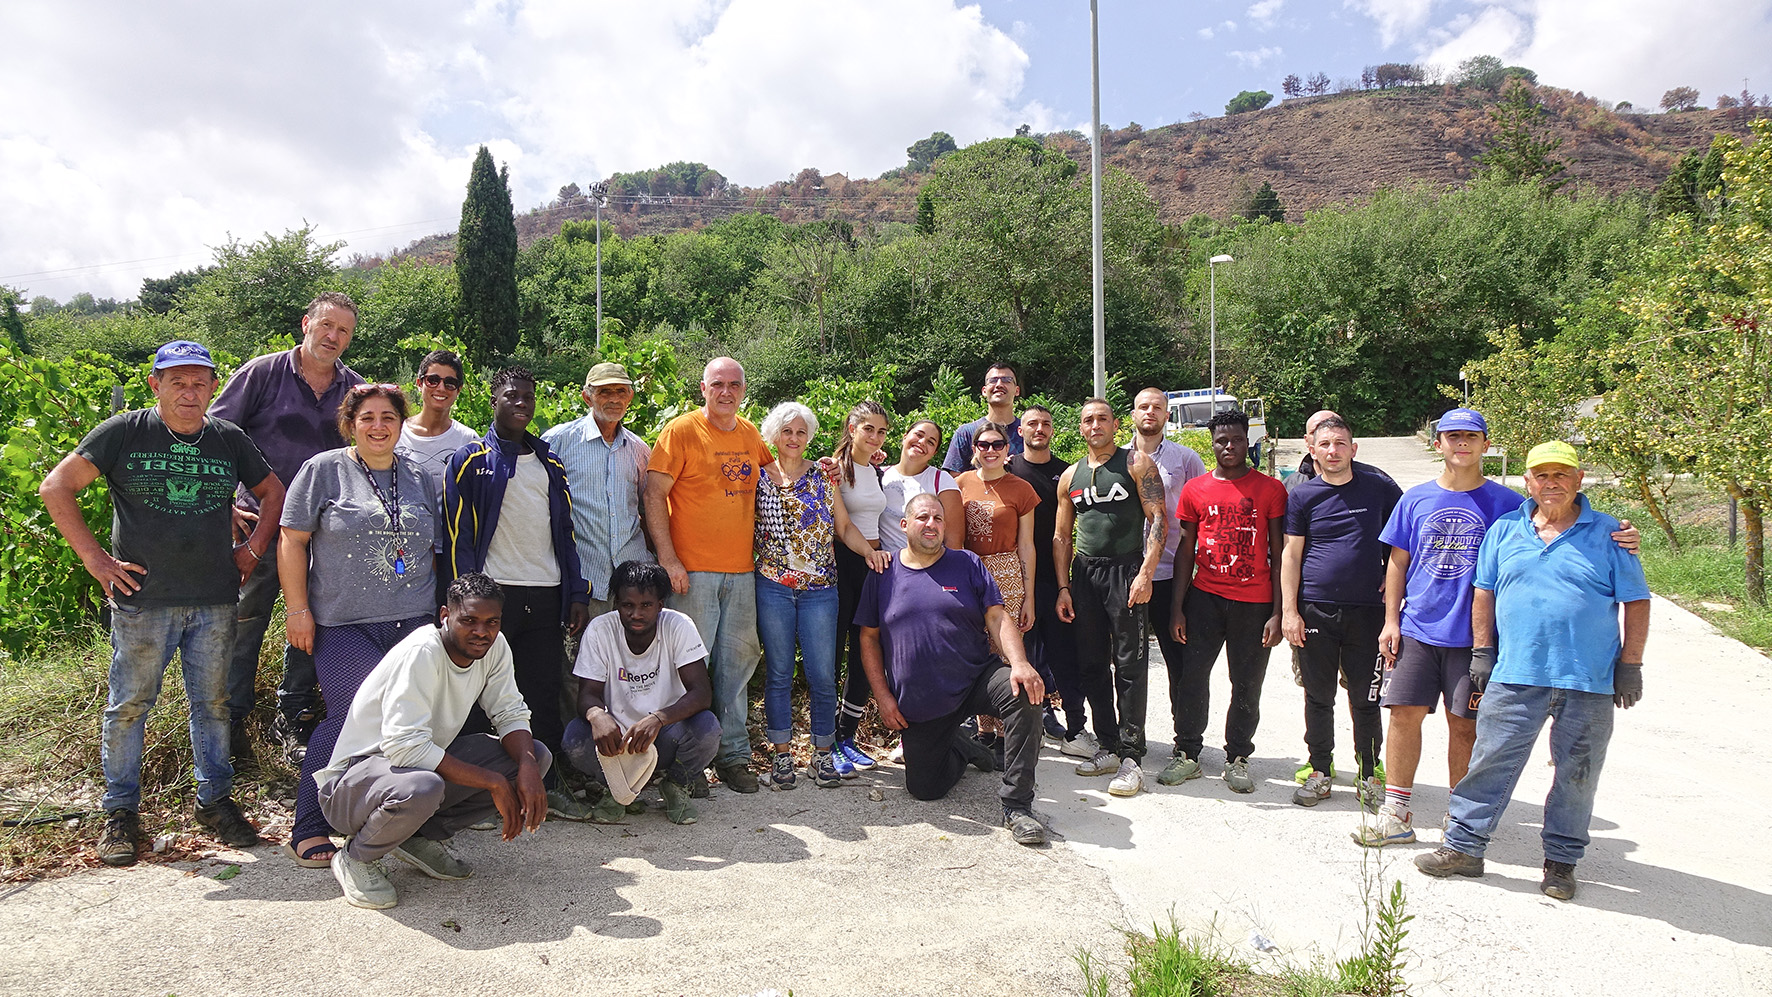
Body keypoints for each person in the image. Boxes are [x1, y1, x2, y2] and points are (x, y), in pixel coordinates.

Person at [40, 340, 282, 865]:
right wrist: (96, 561)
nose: (190, 392)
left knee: (213, 707)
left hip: (215, 599)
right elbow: (56, 487)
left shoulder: (228, 438)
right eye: (178, 381)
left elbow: (273, 492)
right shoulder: (125, 431)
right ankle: (121, 813)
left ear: (213, 388)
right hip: (142, 601)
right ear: (156, 385)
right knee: (129, 707)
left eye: (200, 382)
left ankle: (214, 802)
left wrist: (254, 549)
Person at [1355, 409, 1638, 847]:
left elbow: (1559, 522)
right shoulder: (1415, 499)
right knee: (1403, 717)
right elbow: (1397, 562)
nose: (1461, 443)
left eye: (1471, 435)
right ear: (1438, 444)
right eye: (1452, 436)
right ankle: (1396, 811)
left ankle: (1457, 814)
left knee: (1465, 725)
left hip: (1475, 640)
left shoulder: (1508, 505)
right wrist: (1391, 620)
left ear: (1487, 445)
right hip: (1417, 629)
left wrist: (1622, 532)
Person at [1415, 441, 1650, 902]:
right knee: (1489, 762)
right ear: (1528, 481)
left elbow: (1636, 601)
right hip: (1516, 672)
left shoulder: (1609, 534)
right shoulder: (1504, 529)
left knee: (1577, 773)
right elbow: (1484, 592)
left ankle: (1561, 864)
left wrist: (1631, 664)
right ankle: (1464, 848)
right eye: (1542, 475)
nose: (1552, 483)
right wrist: (1483, 651)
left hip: (1587, 679)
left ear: (1579, 479)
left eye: (1562, 474)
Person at [278, 383, 444, 867]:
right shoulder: (323, 471)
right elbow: (292, 541)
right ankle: (308, 824)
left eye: (388, 417)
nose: (378, 426)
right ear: (350, 423)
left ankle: (396, 817)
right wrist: (297, 609)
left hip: (412, 619)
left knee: (410, 721)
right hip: (345, 622)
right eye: (367, 417)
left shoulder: (417, 475)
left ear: (400, 424)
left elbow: (431, 550)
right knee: (351, 715)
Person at [315, 573, 550, 910]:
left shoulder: (495, 647)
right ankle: (356, 857)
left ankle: (415, 837)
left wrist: (527, 767)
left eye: (491, 622)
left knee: (535, 756)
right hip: (351, 789)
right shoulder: (422, 651)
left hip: (410, 773)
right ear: (445, 615)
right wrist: (493, 782)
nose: (481, 632)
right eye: (468, 620)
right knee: (423, 786)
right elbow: (404, 746)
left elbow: (510, 712)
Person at [210, 292, 365, 761]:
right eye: (326, 326)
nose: (333, 337)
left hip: (322, 534)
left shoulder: (353, 389)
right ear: (306, 324)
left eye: (343, 331)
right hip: (260, 527)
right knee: (244, 623)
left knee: (310, 624)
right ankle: (231, 726)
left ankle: (291, 719)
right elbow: (212, 435)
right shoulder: (262, 374)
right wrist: (223, 505)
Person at [444, 367, 593, 820]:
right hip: (492, 597)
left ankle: (545, 784)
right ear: (494, 401)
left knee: (540, 691)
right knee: (475, 692)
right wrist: (461, 601)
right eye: (512, 396)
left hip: (545, 592)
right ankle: (479, 793)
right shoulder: (470, 459)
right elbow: (457, 535)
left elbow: (566, 533)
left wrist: (576, 592)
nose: (521, 404)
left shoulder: (549, 462)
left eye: (528, 397)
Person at [857, 494, 1049, 846]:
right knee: (924, 790)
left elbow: (996, 615)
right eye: (922, 518)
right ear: (904, 525)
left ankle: (1017, 805)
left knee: (1024, 693)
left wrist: (1020, 664)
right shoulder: (884, 573)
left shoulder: (967, 563)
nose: (931, 525)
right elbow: (868, 638)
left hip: (976, 677)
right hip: (922, 698)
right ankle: (964, 748)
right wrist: (883, 697)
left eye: (938, 519)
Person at [644, 357, 776, 793]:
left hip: (741, 572)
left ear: (743, 390)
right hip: (693, 573)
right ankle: (689, 759)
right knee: (688, 669)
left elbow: (780, 476)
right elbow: (654, 493)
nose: (726, 392)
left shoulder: (749, 433)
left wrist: (827, 468)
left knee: (737, 667)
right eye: (717, 384)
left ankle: (734, 755)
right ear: (703, 388)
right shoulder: (680, 431)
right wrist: (669, 560)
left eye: (734, 385)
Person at [753, 402, 891, 790]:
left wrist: (870, 552)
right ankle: (782, 757)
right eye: (787, 432)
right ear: (774, 437)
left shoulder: (823, 475)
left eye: (801, 432)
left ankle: (822, 754)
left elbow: (844, 527)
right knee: (779, 672)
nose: (794, 439)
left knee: (822, 675)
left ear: (809, 436)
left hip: (820, 589)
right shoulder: (758, 478)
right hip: (773, 585)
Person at [1279, 417, 1400, 808]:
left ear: (1353, 448)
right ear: (1312, 449)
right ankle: (1319, 770)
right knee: (1318, 696)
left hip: (1368, 612)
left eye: (1340, 443)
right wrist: (1290, 612)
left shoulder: (1378, 487)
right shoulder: (1302, 496)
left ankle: (1369, 773)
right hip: (1316, 610)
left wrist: (1398, 580)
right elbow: (1291, 554)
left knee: (1366, 698)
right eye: (1325, 444)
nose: (1333, 451)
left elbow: (1405, 537)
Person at [1054, 399, 1170, 798]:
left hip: (1126, 571)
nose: (1095, 424)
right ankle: (1108, 744)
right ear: (1081, 428)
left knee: (1130, 665)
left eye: (1102, 418)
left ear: (1115, 425)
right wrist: (1064, 587)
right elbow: (1061, 536)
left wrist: (1146, 573)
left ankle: (1133, 756)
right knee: (1090, 664)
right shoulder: (1071, 475)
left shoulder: (1136, 463)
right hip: (1085, 575)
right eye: (1088, 419)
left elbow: (1158, 519)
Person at [1167, 408, 1288, 794]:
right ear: (1212, 443)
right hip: (1205, 598)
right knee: (1192, 678)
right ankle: (1187, 753)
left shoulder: (1270, 489)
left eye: (1236, 439)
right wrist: (1177, 608)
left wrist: (1279, 612)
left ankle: (1237, 757)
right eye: (1221, 440)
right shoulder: (1196, 490)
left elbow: (1280, 550)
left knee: (1246, 683)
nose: (1229, 446)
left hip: (1255, 602)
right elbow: (1185, 551)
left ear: (1246, 440)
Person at [562, 561, 722, 825]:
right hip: (617, 741)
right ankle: (616, 790)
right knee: (575, 738)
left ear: (660, 605)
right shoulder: (601, 629)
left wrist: (658, 719)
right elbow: (587, 694)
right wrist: (597, 716)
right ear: (617, 605)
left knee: (708, 727)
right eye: (628, 605)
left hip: (666, 734)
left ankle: (676, 786)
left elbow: (702, 694)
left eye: (646, 605)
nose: (636, 614)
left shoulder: (679, 626)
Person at [542, 361, 652, 727]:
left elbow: (646, 508)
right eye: (604, 391)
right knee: (577, 670)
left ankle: (628, 749)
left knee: (628, 670)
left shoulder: (638, 449)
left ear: (631, 397)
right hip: (583, 580)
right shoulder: (559, 441)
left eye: (621, 391)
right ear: (587, 395)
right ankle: (580, 755)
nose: (614, 399)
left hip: (629, 583)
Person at [1125, 388, 1211, 788]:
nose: (1150, 412)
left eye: (1157, 407)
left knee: (1180, 664)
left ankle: (1184, 743)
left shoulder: (1185, 459)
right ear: (1133, 414)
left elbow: (1202, 514)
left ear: (1166, 415)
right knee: (1129, 663)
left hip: (1173, 577)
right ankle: (1129, 741)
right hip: (1129, 577)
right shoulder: (1117, 458)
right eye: (1144, 406)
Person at [1006, 405, 1088, 755]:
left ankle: (1077, 728)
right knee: (1018, 657)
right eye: (1032, 424)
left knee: (1064, 657)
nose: (1039, 429)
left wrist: (1064, 584)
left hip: (1053, 580)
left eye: (1045, 424)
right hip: (1013, 579)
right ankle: (1028, 726)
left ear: (1053, 430)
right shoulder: (1007, 470)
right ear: (1020, 431)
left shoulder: (1067, 473)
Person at [955, 425, 1040, 758]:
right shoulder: (960, 483)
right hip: (969, 571)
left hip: (1007, 572)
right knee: (976, 649)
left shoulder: (1021, 489)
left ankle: (1009, 731)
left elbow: (1027, 545)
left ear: (1008, 448)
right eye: (983, 444)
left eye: (997, 444)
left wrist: (1029, 596)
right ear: (974, 448)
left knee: (1006, 651)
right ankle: (983, 729)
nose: (990, 449)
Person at [830, 401, 893, 776]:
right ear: (852, 427)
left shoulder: (878, 470)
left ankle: (847, 736)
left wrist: (876, 556)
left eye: (881, 431)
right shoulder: (835, 469)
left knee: (866, 653)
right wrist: (868, 553)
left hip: (875, 563)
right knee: (835, 651)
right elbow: (840, 525)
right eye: (868, 428)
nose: (874, 436)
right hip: (845, 562)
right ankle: (827, 741)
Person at [396, 349, 480, 499]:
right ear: (419, 383)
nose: (441, 388)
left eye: (450, 383)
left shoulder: (467, 439)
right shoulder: (397, 433)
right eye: (433, 380)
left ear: (458, 390)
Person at [879, 420, 964, 553]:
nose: (922, 442)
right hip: (886, 566)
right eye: (919, 435)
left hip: (929, 567)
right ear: (905, 436)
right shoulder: (879, 475)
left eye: (931, 442)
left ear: (934, 453)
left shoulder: (942, 481)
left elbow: (954, 540)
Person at [942, 362, 1024, 473]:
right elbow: (953, 480)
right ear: (984, 391)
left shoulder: (1027, 432)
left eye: (1006, 380)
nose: (999, 384)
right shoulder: (966, 433)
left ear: (1017, 390)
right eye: (993, 380)